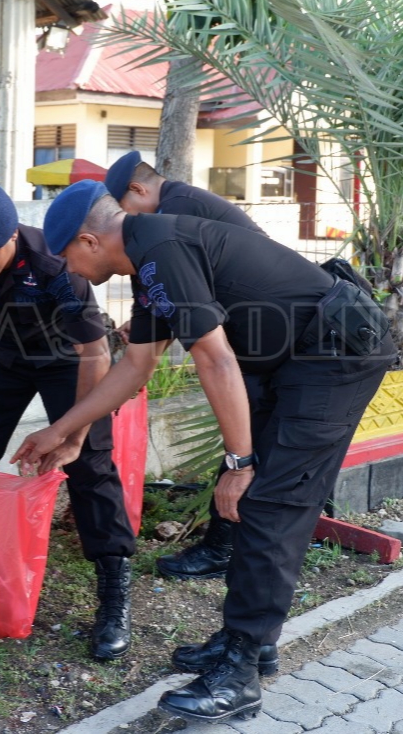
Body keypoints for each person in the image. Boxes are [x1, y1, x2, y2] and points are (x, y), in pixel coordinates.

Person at [14, 181, 394, 723]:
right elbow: (135, 366)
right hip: (297, 357)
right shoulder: (147, 260)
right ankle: (252, 641)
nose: (70, 272)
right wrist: (64, 430)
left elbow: (216, 361)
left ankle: (240, 671)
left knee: (269, 504)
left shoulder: (161, 249)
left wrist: (238, 464)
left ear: (89, 241)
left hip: (334, 353)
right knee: (260, 500)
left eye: (68, 258)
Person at [0, 183, 137, 661]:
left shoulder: (55, 264)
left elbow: (95, 353)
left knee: (90, 466)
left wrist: (72, 433)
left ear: (12, 238)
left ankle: (113, 591)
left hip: (71, 360)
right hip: (5, 354)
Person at [104, 150, 264, 582]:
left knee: (245, 449)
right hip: (250, 332)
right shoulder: (181, 204)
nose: (125, 227)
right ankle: (225, 545)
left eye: (124, 214)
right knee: (248, 444)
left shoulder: (172, 217)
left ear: (138, 190)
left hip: (264, 336)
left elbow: (186, 286)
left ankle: (223, 548)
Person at [104, 150, 266, 233]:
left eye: (123, 208)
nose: (127, 217)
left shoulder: (177, 206)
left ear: (138, 189)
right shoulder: (176, 198)